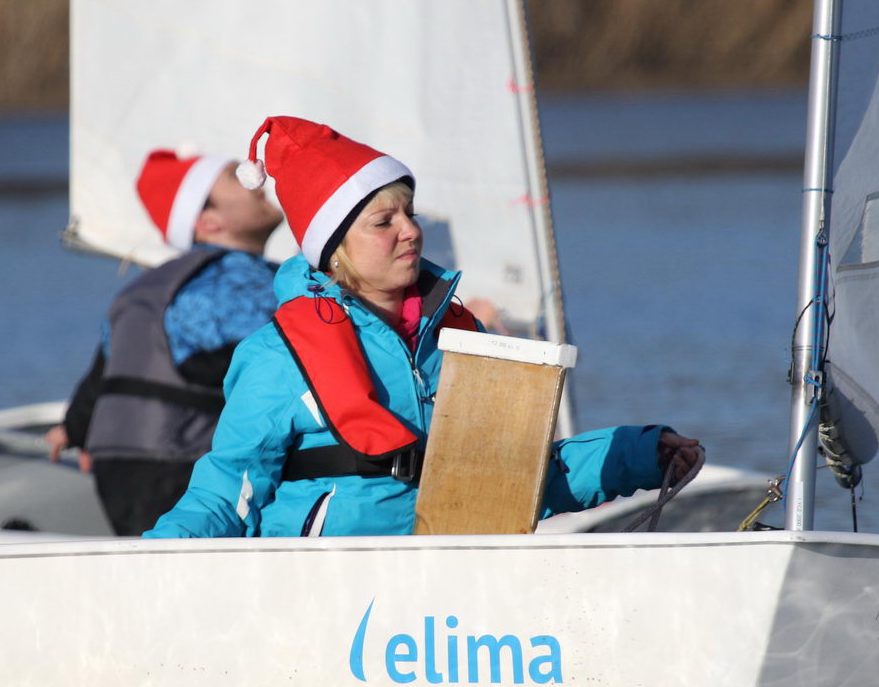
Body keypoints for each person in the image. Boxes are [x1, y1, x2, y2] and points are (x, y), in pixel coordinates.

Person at [144, 116, 702, 539]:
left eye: (409, 213)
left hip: (447, 600)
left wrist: (638, 455)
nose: (410, 231)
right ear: (334, 250)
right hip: (327, 595)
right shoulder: (278, 355)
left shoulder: (462, 338)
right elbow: (226, 491)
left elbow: (523, 477)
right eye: (383, 221)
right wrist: (149, 566)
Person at [46, 149, 283, 535]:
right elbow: (300, 352)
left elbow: (104, 369)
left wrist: (73, 428)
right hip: (185, 463)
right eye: (234, 177)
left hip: (115, 463)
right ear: (208, 221)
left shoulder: (148, 285)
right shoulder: (248, 281)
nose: (256, 180)